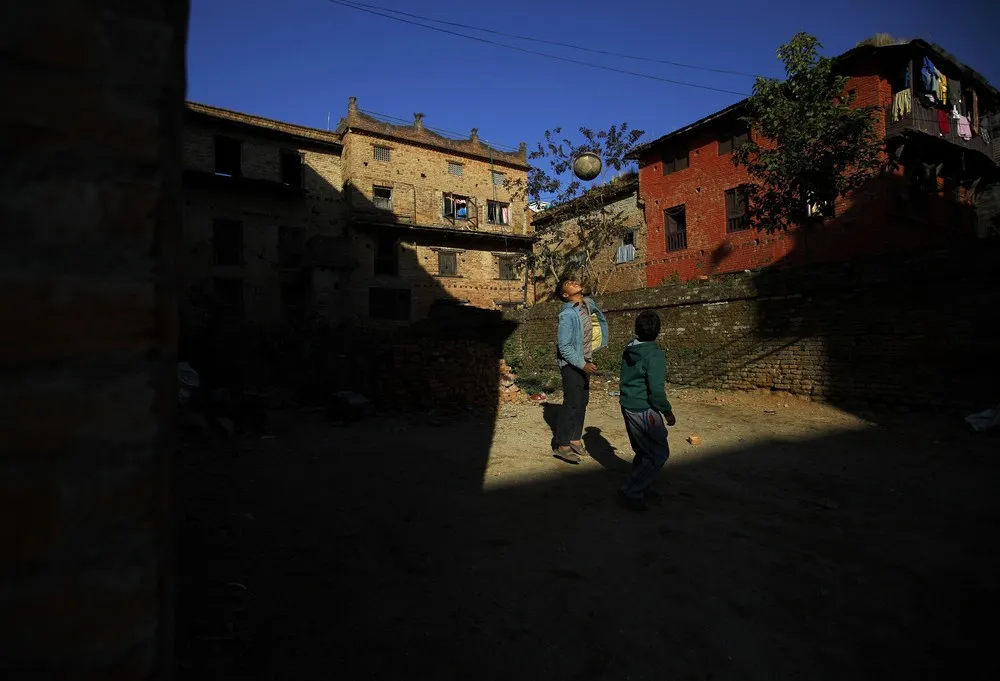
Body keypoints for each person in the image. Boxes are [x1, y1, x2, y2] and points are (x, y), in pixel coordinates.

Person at [617, 310, 676, 511]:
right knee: (658, 454)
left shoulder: (630, 350)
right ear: (658, 331)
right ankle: (633, 491)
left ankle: (639, 484)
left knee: (644, 452)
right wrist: (667, 412)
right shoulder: (655, 355)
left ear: (636, 329)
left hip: (629, 405)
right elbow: (657, 391)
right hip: (645, 409)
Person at [553, 278, 608, 464]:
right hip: (571, 365)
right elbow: (564, 346)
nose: (574, 281)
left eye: (573, 280)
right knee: (572, 403)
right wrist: (582, 363)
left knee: (582, 402)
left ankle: (575, 439)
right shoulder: (567, 315)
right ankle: (562, 445)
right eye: (569, 283)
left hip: (585, 361)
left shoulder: (586, 304)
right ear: (565, 295)